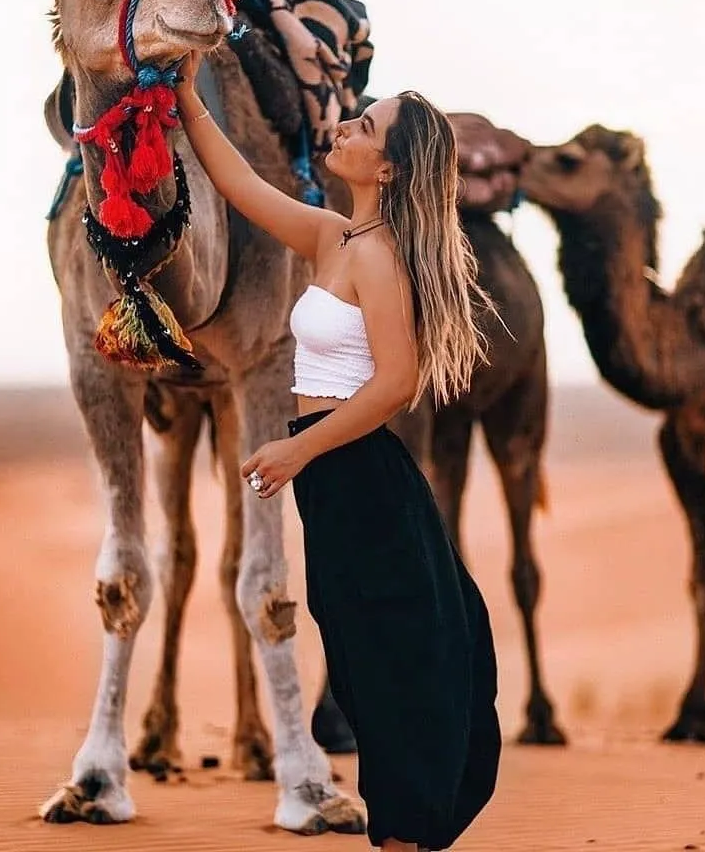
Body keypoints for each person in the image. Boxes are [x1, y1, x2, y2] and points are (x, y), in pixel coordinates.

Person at [176, 52, 501, 852]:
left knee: (386, 664)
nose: (346, 126)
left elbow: (395, 384)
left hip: (362, 478)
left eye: (366, 126)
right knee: (357, 662)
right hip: (334, 479)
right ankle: (404, 829)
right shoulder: (335, 235)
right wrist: (185, 92)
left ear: (387, 168)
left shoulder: (380, 259)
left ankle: (403, 835)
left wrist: (298, 452)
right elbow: (238, 184)